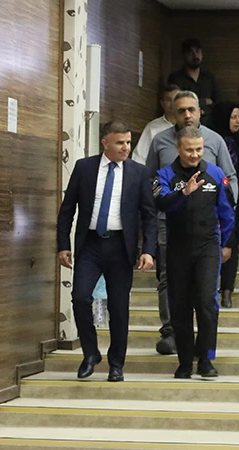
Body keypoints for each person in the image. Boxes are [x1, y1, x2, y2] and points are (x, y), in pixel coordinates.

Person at [57, 121, 158, 380]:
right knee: (80, 297)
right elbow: (67, 210)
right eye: (120, 143)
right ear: (105, 143)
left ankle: (116, 364)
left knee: (118, 307)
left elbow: (149, 216)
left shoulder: (138, 172)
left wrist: (148, 250)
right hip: (90, 245)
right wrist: (63, 245)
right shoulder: (84, 167)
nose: (126, 148)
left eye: (128, 142)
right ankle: (90, 353)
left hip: (120, 246)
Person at [147, 90, 238, 355]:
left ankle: (205, 352)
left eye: (192, 110)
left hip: (208, 227)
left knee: (205, 294)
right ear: (173, 114)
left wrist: (225, 222)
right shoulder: (160, 141)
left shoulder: (215, 140)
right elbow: (151, 181)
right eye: (181, 110)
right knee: (169, 283)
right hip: (170, 224)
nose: (187, 115)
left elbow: (228, 180)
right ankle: (171, 332)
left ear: (200, 111)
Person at [210, 101, 239, 309]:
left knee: (232, 243)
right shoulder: (211, 139)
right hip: (211, 197)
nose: (237, 121)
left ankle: (227, 289)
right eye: (232, 117)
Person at [167, 38, 220, 119]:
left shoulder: (210, 77)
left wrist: (203, 111)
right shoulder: (175, 78)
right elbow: (177, 103)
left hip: (209, 123)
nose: (195, 56)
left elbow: (218, 103)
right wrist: (204, 101)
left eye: (197, 51)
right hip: (185, 121)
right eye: (190, 52)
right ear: (184, 55)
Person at [132, 84, 180, 164]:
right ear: (162, 103)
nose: (172, 103)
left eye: (176, 99)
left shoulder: (189, 124)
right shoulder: (152, 127)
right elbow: (139, 157)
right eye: (169, 100)